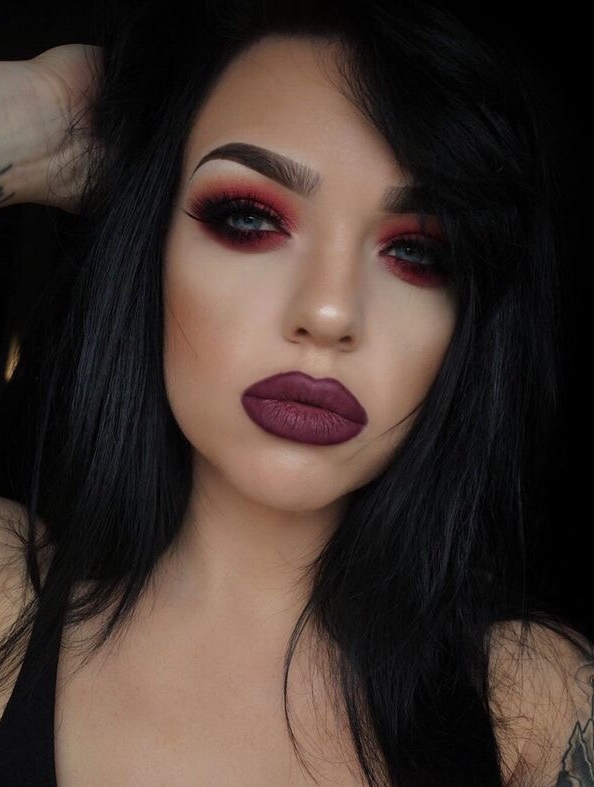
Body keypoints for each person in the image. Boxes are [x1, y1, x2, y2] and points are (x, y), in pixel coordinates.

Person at [0, 0, 591, 784]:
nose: (329, 312)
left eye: (416, 252)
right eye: (249, 218)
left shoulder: (535, 706)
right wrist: (39, 117)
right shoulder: (7, 598)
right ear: (152, 246)